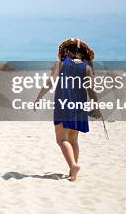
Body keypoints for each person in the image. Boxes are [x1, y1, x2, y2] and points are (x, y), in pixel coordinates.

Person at [34, 39, 101, 182]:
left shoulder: (61, 64)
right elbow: (91, 90)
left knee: (61, 139)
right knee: (74, 140)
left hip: (63, 105)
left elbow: (51, 81)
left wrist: (39, 96)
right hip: (79, 108)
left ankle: (73, 165)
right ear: (81, 54)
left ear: (68, 52)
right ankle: (72, 173)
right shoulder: (87, 68)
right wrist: (96, 107)